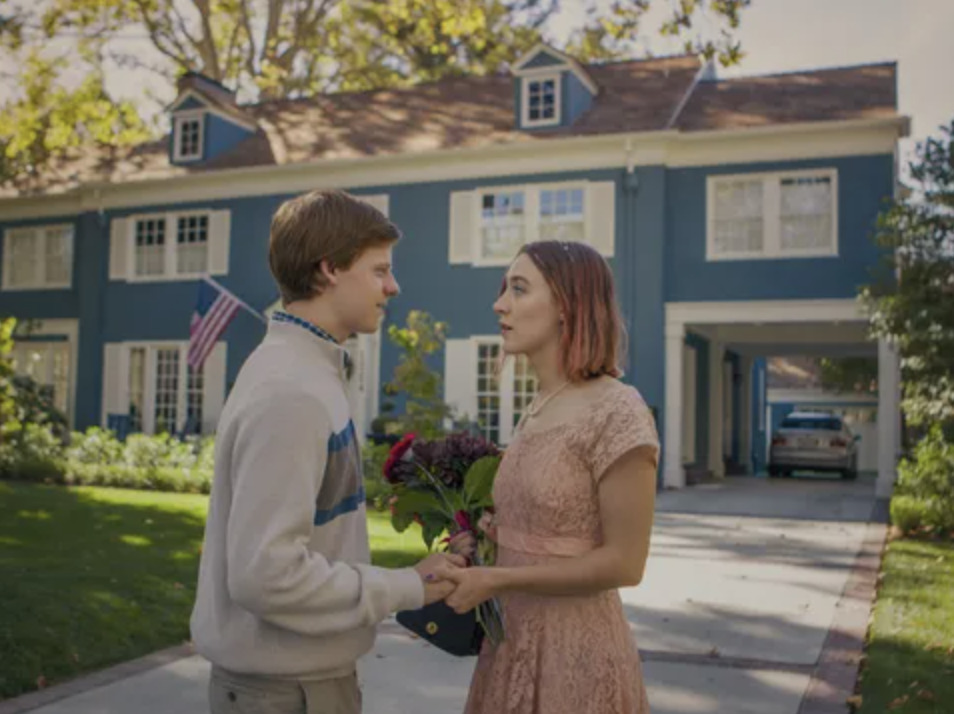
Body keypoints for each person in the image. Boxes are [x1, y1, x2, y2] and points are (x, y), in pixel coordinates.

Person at [190, 189, 462, 714]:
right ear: (330, 268)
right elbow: (265, 575)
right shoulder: (290, 390)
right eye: (379, 270)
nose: (393, 286)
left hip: (302, 682)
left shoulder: (309, 374)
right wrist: (406, 587)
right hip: (283, 693)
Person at [443, 240, 659, 714]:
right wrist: (482, 546)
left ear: (568, 305)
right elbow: (543, 531)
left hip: (575, 655)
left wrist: (497, 578)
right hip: (508, 643)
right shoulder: (537, 408)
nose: (500, 303)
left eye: (519, 289)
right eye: (505, 289)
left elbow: (626, 564)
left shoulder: (618, 410)